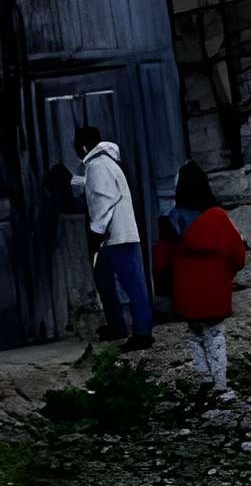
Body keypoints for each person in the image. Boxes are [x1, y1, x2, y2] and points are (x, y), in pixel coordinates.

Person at [153, 159, 246, 399]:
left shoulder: (171, 220)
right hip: (215, 288)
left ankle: (204, 377)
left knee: (195, 332)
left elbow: (162, 261)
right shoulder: (219, 217)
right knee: (215, 333)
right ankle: (220, 384)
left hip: (186, 290)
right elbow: (237, 255)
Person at [70, 125, 154, 351]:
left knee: (132, 284)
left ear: (84, 146)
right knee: (106, 281)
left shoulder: (97, 166)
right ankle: (117, 325)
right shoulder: (105, 163)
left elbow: (103, 201)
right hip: (118, 235)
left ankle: (143, 333)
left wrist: (96, 233)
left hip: (116, 236)